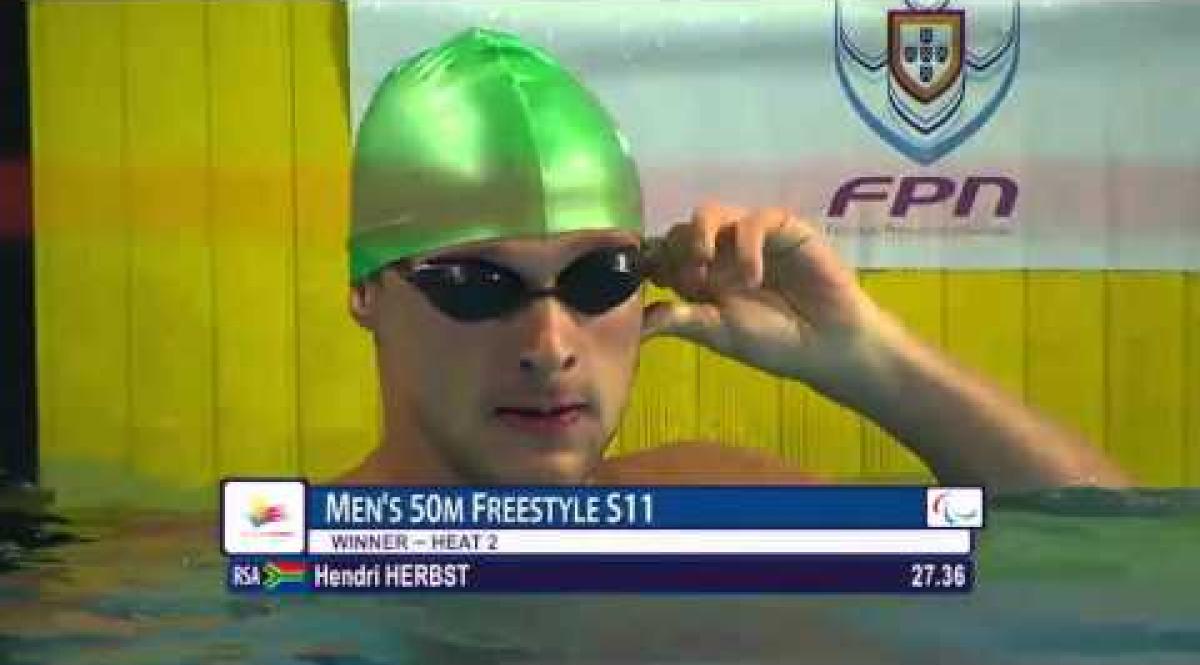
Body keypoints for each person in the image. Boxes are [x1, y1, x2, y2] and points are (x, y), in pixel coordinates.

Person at [339, 28, 1128, 491]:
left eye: (600, 278)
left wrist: (872, 361)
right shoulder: (258, 560)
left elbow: (1122, 578)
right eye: (478, 286)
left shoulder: (715, 505)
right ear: (367, 291)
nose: (552, 347)